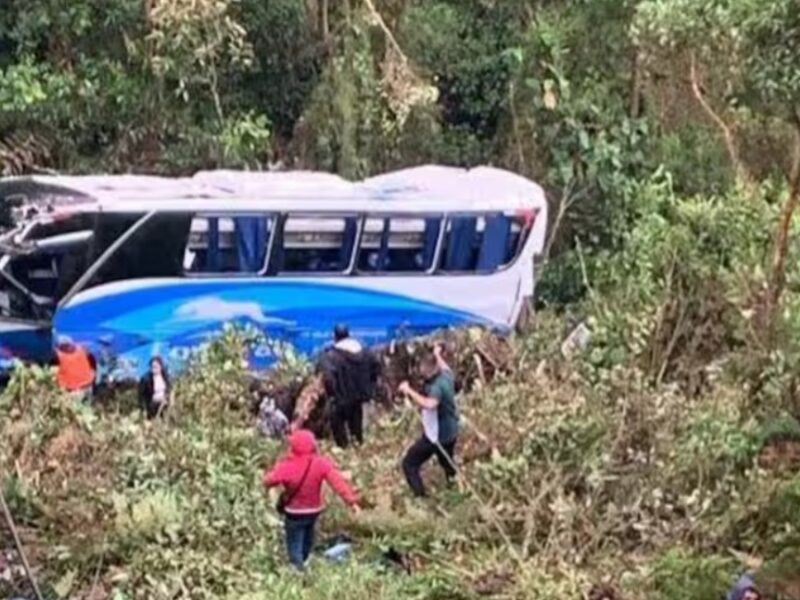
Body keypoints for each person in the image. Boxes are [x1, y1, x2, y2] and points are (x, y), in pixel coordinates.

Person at [263, 429, 360, 569]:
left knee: (294, 542)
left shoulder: (287, 466)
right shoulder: (320, 463)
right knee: (307, 538)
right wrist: (351, 501)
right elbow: (338, 483)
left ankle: (297, 569)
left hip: (294, 512)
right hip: (313, 510)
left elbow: (268, 480)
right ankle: (305, 561)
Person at [398, 344, 459, 497]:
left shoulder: (436, 388)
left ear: (428, 370)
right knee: (447, 462)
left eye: (422, 368)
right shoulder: (446, 376)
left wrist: (409, 391)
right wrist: (437, 354)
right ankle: (454, 488)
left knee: (409, 463)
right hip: (451, 431)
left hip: (436, 436)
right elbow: (445, 366)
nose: (420, 371)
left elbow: (430, 404)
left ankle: (421, 497)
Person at [317, 324, 381, 448]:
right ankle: (358, 447)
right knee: (356, 427)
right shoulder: (366, 352)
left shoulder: (330, 356)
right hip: (359, 397)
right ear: (348, 334)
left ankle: (343, 448)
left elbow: (328, 378)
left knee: (338, 426)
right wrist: (369, 386)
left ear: (335, 337)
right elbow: (377, 367)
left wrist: (332, 394)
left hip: (341, 399)